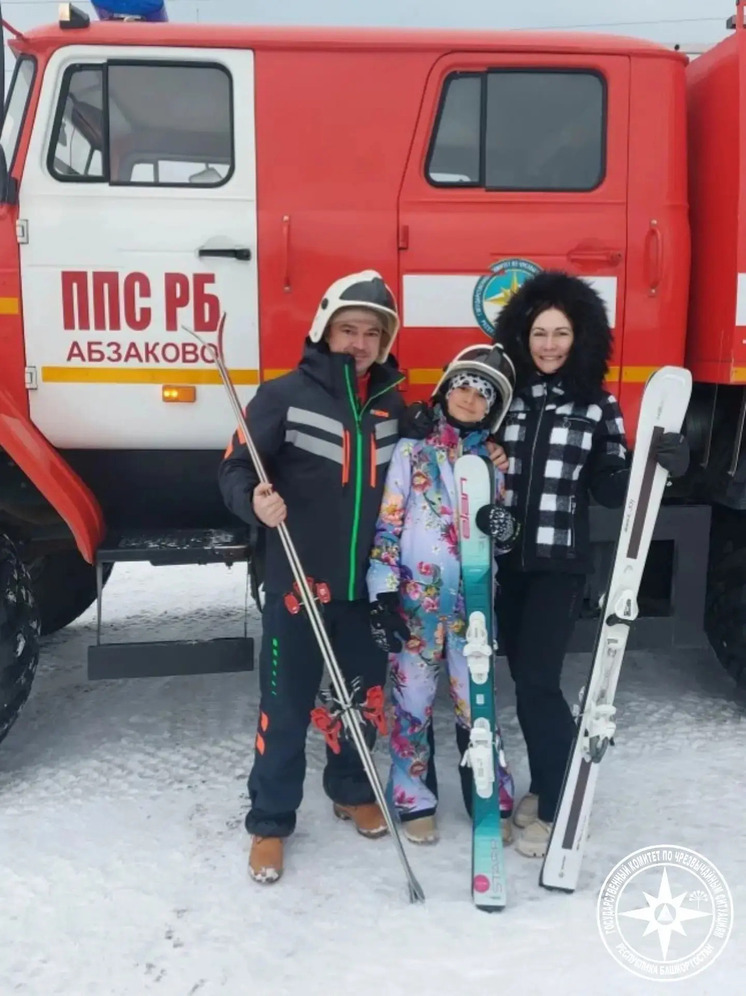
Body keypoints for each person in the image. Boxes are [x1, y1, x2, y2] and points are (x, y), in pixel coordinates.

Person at [488, 270, 689, 858]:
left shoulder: (596, 406)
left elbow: (608, 482)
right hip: (505, 565)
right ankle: (550, 783)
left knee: (538, 684)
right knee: (521, 682)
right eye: (539, 333)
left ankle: (559, 802)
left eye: (562, 333)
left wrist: (656, 465)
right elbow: (467, 437)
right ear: (521, 337)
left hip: (558, 564)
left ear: (582, 339)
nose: (549, 344)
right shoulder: (508, 397)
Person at [218, 270, 405, 884]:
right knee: (288, 704)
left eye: (370, 333)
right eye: (348, 329)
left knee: (361, 701)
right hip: (299, 583)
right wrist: (255, 503)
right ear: (325, 331)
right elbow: (234, 468)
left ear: (384, 341)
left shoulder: (394, 405)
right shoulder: (283, 395)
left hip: (366, 587)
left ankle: (351, 787)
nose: (358, 342)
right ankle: (270, 821)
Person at [366, 344, 520, 846]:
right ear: (445, 389)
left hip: (471, 606)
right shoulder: (413, 452)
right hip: (416, 603)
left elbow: (497, 535)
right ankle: (414, 794)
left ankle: (486, 790)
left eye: (484, 394)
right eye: (464, 386)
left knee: (476, 701)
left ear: (493, 409)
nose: (471, 399)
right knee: (412, 699)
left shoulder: (492, 464)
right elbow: (389, 524)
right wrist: (383, 591)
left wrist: (506, 527)